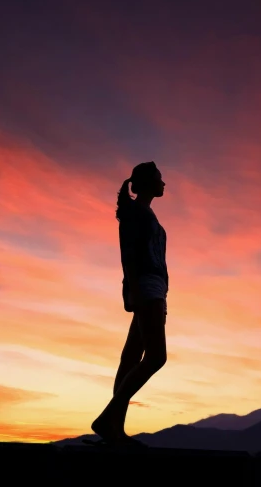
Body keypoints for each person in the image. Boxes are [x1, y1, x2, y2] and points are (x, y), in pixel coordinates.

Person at [91, 161, 169, 447]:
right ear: (148, 182)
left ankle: (115, 431)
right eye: (160, 179)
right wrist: (135, 292)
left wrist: (162, 297)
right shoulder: (135, 214)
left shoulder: (147, 214)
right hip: (146, 288)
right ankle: (106, 419)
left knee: (131, 359)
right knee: (156, 357)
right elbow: (129, 256)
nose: (164, 183)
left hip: (155, 290)